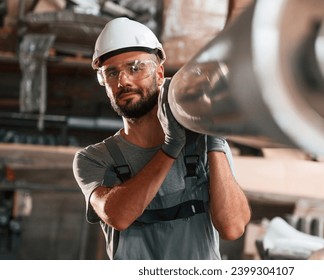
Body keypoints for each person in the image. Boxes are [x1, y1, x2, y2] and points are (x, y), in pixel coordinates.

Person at [72, 17, 251, 260]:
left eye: (135, 68)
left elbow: (233, 227)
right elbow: (119, 216)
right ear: (104, 82)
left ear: (159, 74)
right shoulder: (93, 159)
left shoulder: (203, 145)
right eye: (112, 73)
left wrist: (215, 138)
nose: (123, 81)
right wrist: (170, 148)